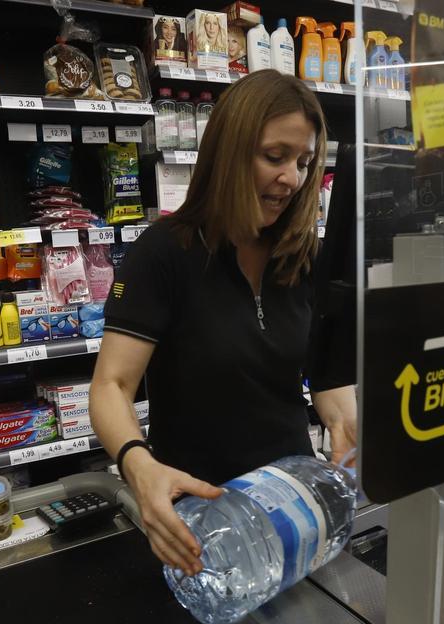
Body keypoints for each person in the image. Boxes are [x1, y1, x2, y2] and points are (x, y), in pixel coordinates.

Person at [90, 70, 357, 578]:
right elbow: (111, 384)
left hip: (293, 506)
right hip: (202, 520)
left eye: (302, 162)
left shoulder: (303, 257)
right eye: (274, 157)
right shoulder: (165, 253)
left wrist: (347, 428)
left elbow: (327, 379)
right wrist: (138, 465)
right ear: (228, 151)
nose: (292, 179)